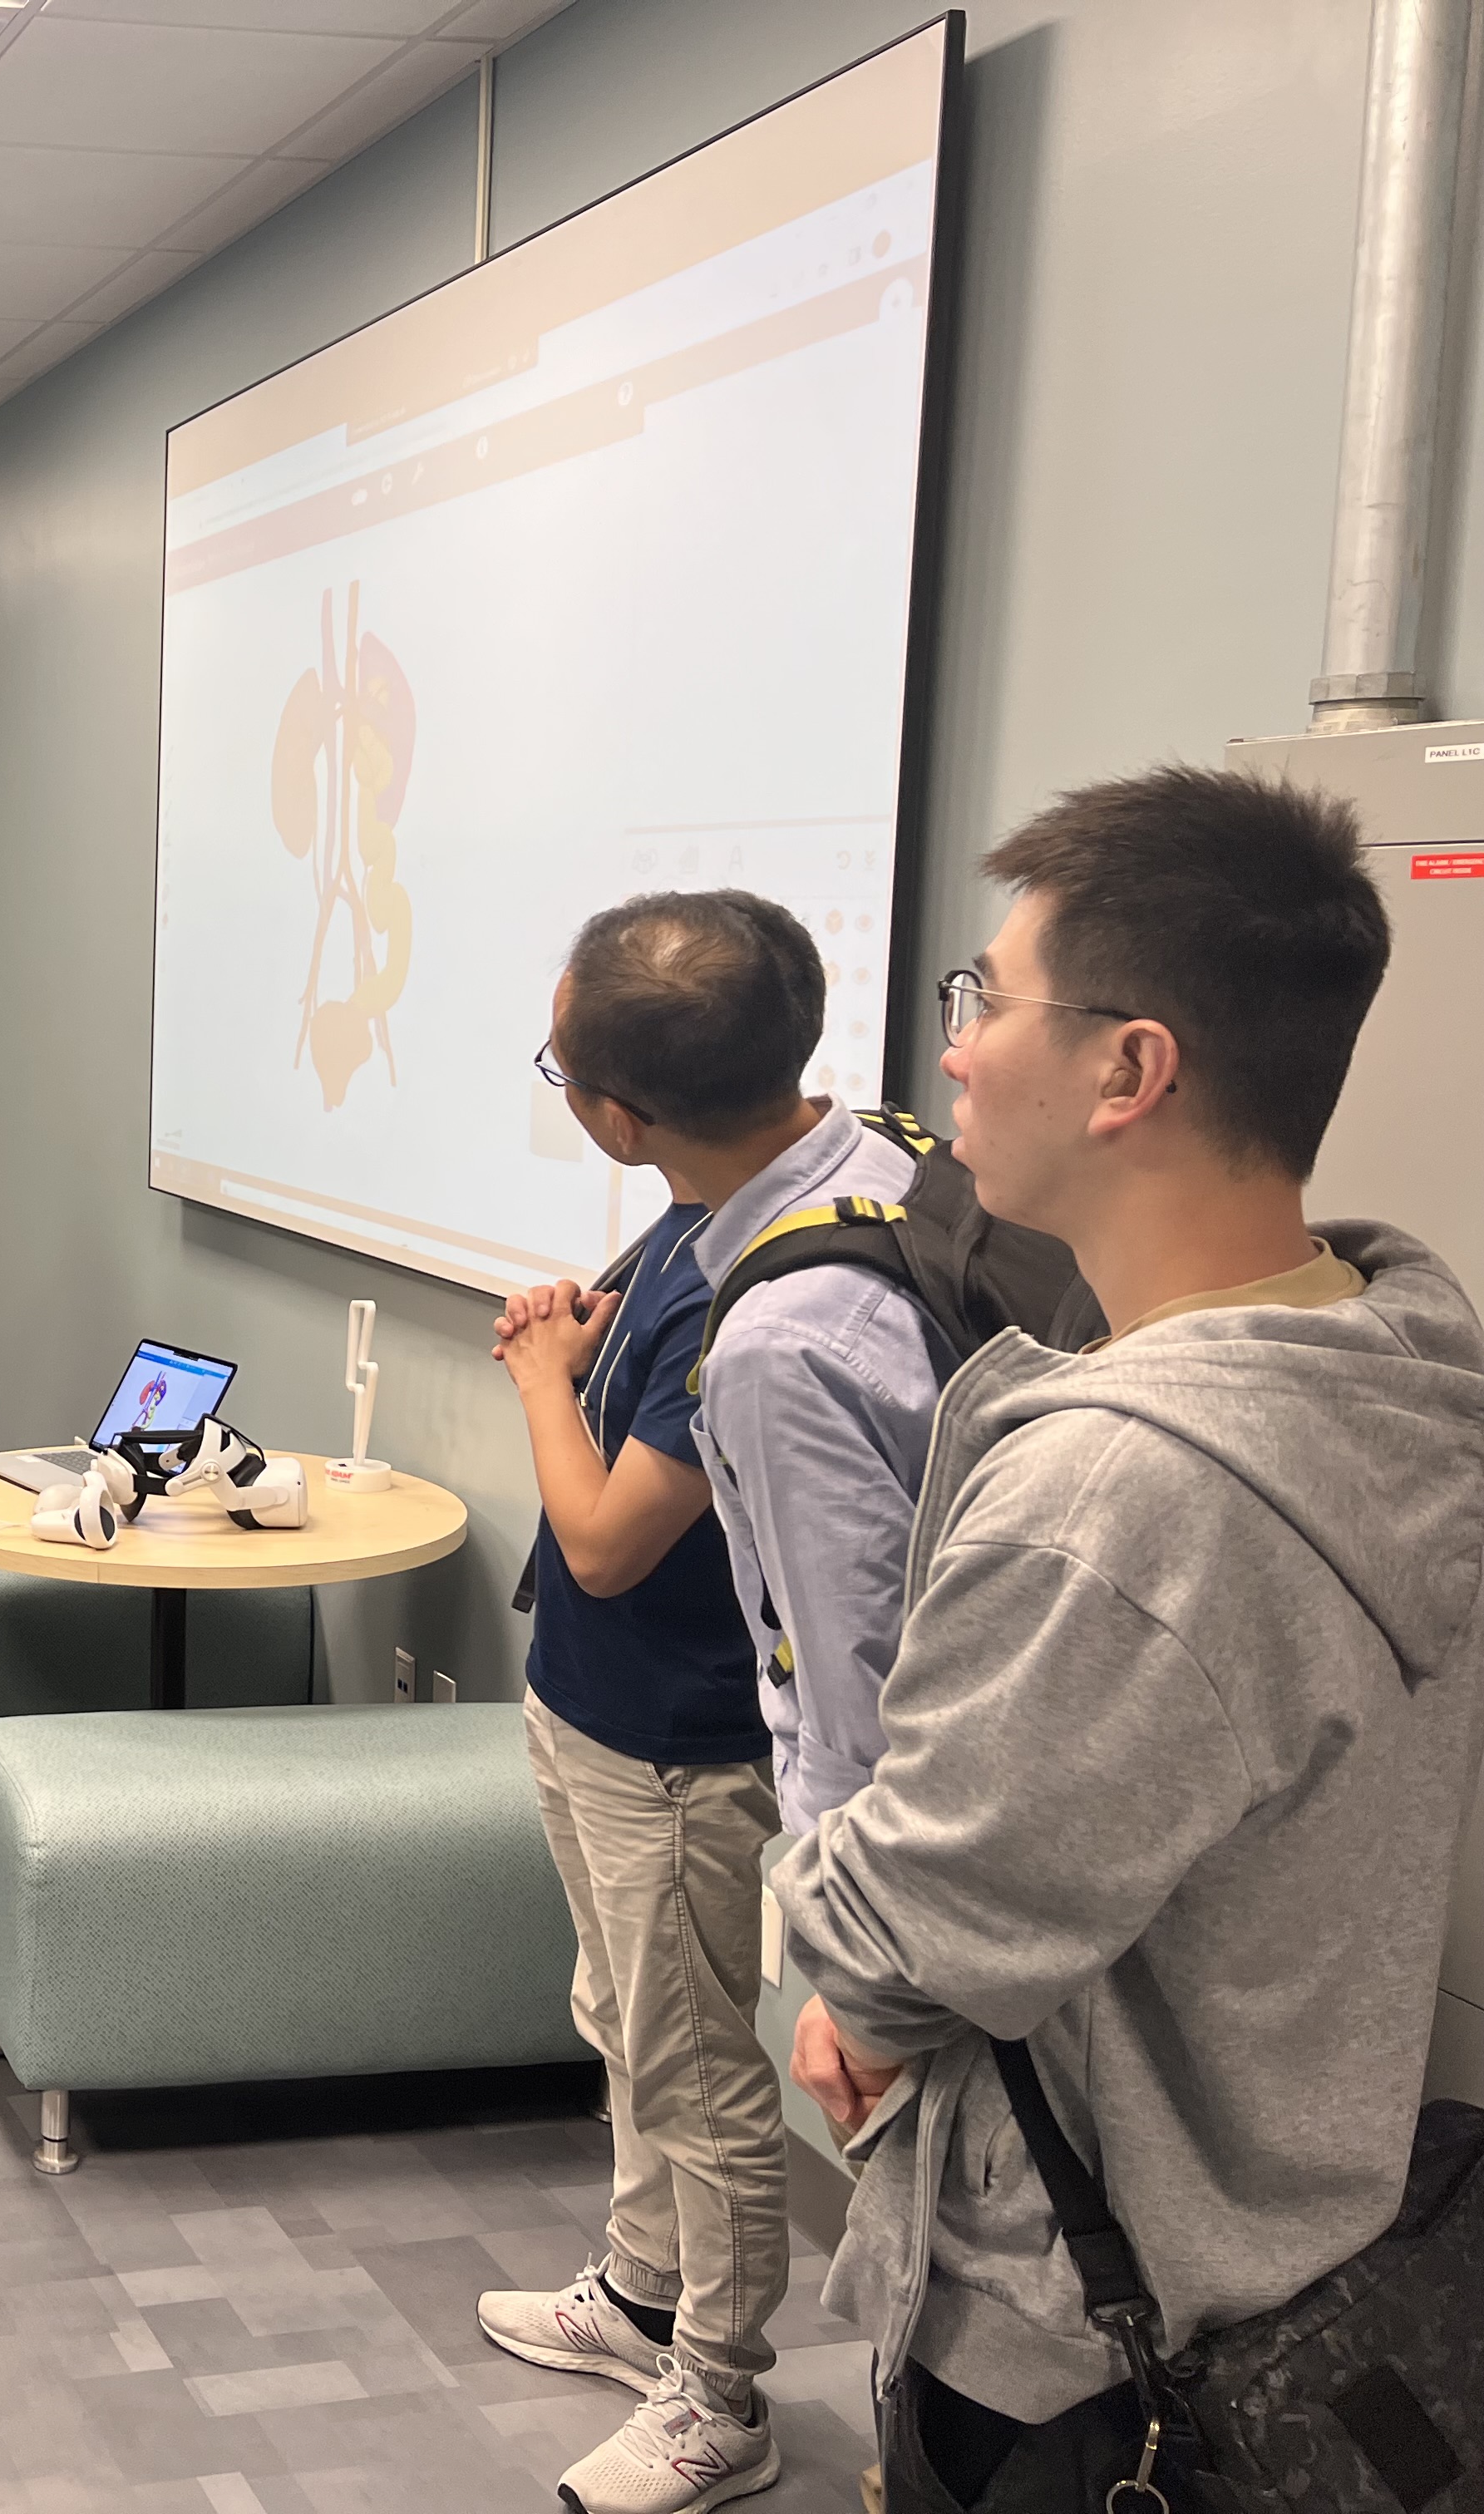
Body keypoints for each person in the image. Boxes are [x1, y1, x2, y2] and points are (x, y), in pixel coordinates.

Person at [777, 768, 1482, 2511]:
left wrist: (840, 1965)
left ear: (1131, 1066)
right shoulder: (1395, 1363)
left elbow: (911, 1935)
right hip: (1295, 2243)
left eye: (986, 1000)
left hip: (1091, 2353)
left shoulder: (1124, 1503)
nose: (953, 1051)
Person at [476, 1025, 790, 2514]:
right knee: (623, 2015)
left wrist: (542, 1373)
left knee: (698, 2063)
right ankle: (641, 2290)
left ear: (618, 1104)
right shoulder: (692, 1210)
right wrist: (580, 1339)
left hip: (677, 1734)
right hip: (592, 1705)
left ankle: (718, 2391)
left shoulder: (752, 1281)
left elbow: (604, 1539)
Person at [545, 893, 943, 1839]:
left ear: (621, 1124)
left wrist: (849, 1960)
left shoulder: (772, 1339)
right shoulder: (894, 1153)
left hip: (767, 1796)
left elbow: (853, 1695)